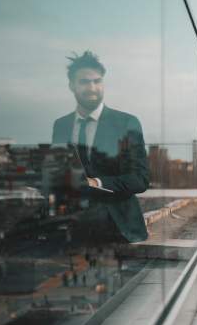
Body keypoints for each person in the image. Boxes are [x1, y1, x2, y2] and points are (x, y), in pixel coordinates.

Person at [51, 51, 149, 245]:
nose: (92, 87)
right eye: (85, 82)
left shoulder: (127, 123)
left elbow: (140, 180)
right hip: (75, 228)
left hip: (120, 229)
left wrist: (96, 183)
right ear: (72, 86)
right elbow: (59, 173)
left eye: (97, 81)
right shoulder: (61, 125)